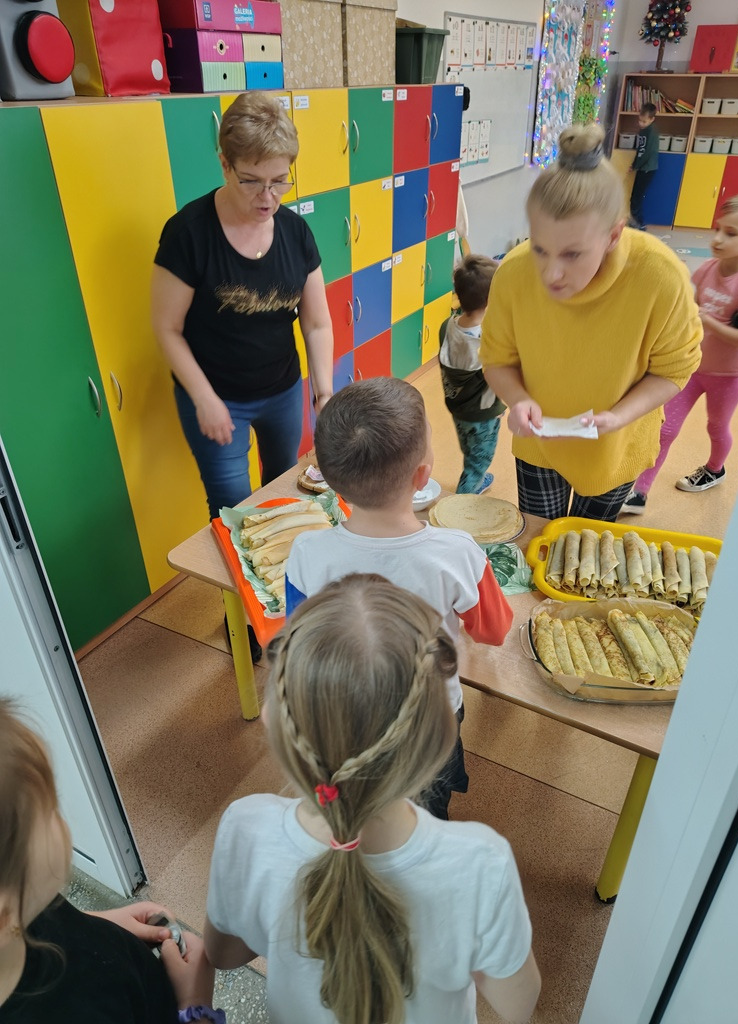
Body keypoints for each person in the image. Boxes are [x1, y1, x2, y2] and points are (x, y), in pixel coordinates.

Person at [204, 576, 540, 1024]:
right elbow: (518, 1005)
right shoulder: (481, 863)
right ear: (438, 739)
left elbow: (224, 954)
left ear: (274, 721)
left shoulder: (246, 828)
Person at [284, 377, 513, 820]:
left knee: (359, 807)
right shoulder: (458, 551)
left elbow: (298, 641)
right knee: (426, 813)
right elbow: (494, 631)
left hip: (344, 720)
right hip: (430, 722)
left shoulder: (306, 552)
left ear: (331, 482)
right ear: (423, 476)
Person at [480, 124, 702, 523]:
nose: (551, 274)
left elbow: (673, 370)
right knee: (539, 538)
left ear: (614, 235)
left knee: (587, 542)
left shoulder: (661, 276)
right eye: (540, 249)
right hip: (540, 445)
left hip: (616, 445)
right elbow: (497, 359)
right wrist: (518, 399)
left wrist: (619, 417)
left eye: (572, 254)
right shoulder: (513, 274)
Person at [151, 91, 334, 521]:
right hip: (217, 394)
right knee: (232, 508)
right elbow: (166, 328)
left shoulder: (296, 233)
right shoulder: (188, 234)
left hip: (282, 389)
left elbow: (317, 323)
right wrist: (204, 398)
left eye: (280, 181)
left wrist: (323, 393)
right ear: (225, 165)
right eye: (251, 181)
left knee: (282, 488)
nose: (267, 197)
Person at [0, 700, 221, 1023]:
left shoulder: (21, 904)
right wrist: (195, 1006)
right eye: (49, 811)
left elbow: (42, 920)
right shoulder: (81, 1012)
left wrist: (100, 923)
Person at [622, 192, 738, 514]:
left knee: (716, 427)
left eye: (730, 233)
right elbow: (689, 307)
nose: (718, 239)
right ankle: (640, 492)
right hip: (691, 367)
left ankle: (715, 469)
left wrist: (709, 321)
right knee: (665, 429)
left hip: (728, 376)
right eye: (718, 229)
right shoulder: (708, 269)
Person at [439, 254, 506, 495]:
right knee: (480, 458)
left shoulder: (447, 326)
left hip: (458, 407)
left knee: (470, 448)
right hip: (483, 413)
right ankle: (464, 498)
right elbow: (500, 377)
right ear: (491, 299)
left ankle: (476, 474)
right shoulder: (487, 341)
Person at [628, 103, 659, 231]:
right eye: (640, 120)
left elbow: (646, 153)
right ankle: (636, 221)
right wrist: (634, 164)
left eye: (644, 121)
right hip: (643, 168)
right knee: (635, 197)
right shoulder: (644, 130)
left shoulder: (650, 132)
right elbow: (640, 150)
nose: (641, 123)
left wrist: (636, 165)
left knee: (636, 198)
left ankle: (639, 224)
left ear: (652, 119)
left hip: (647, 169)